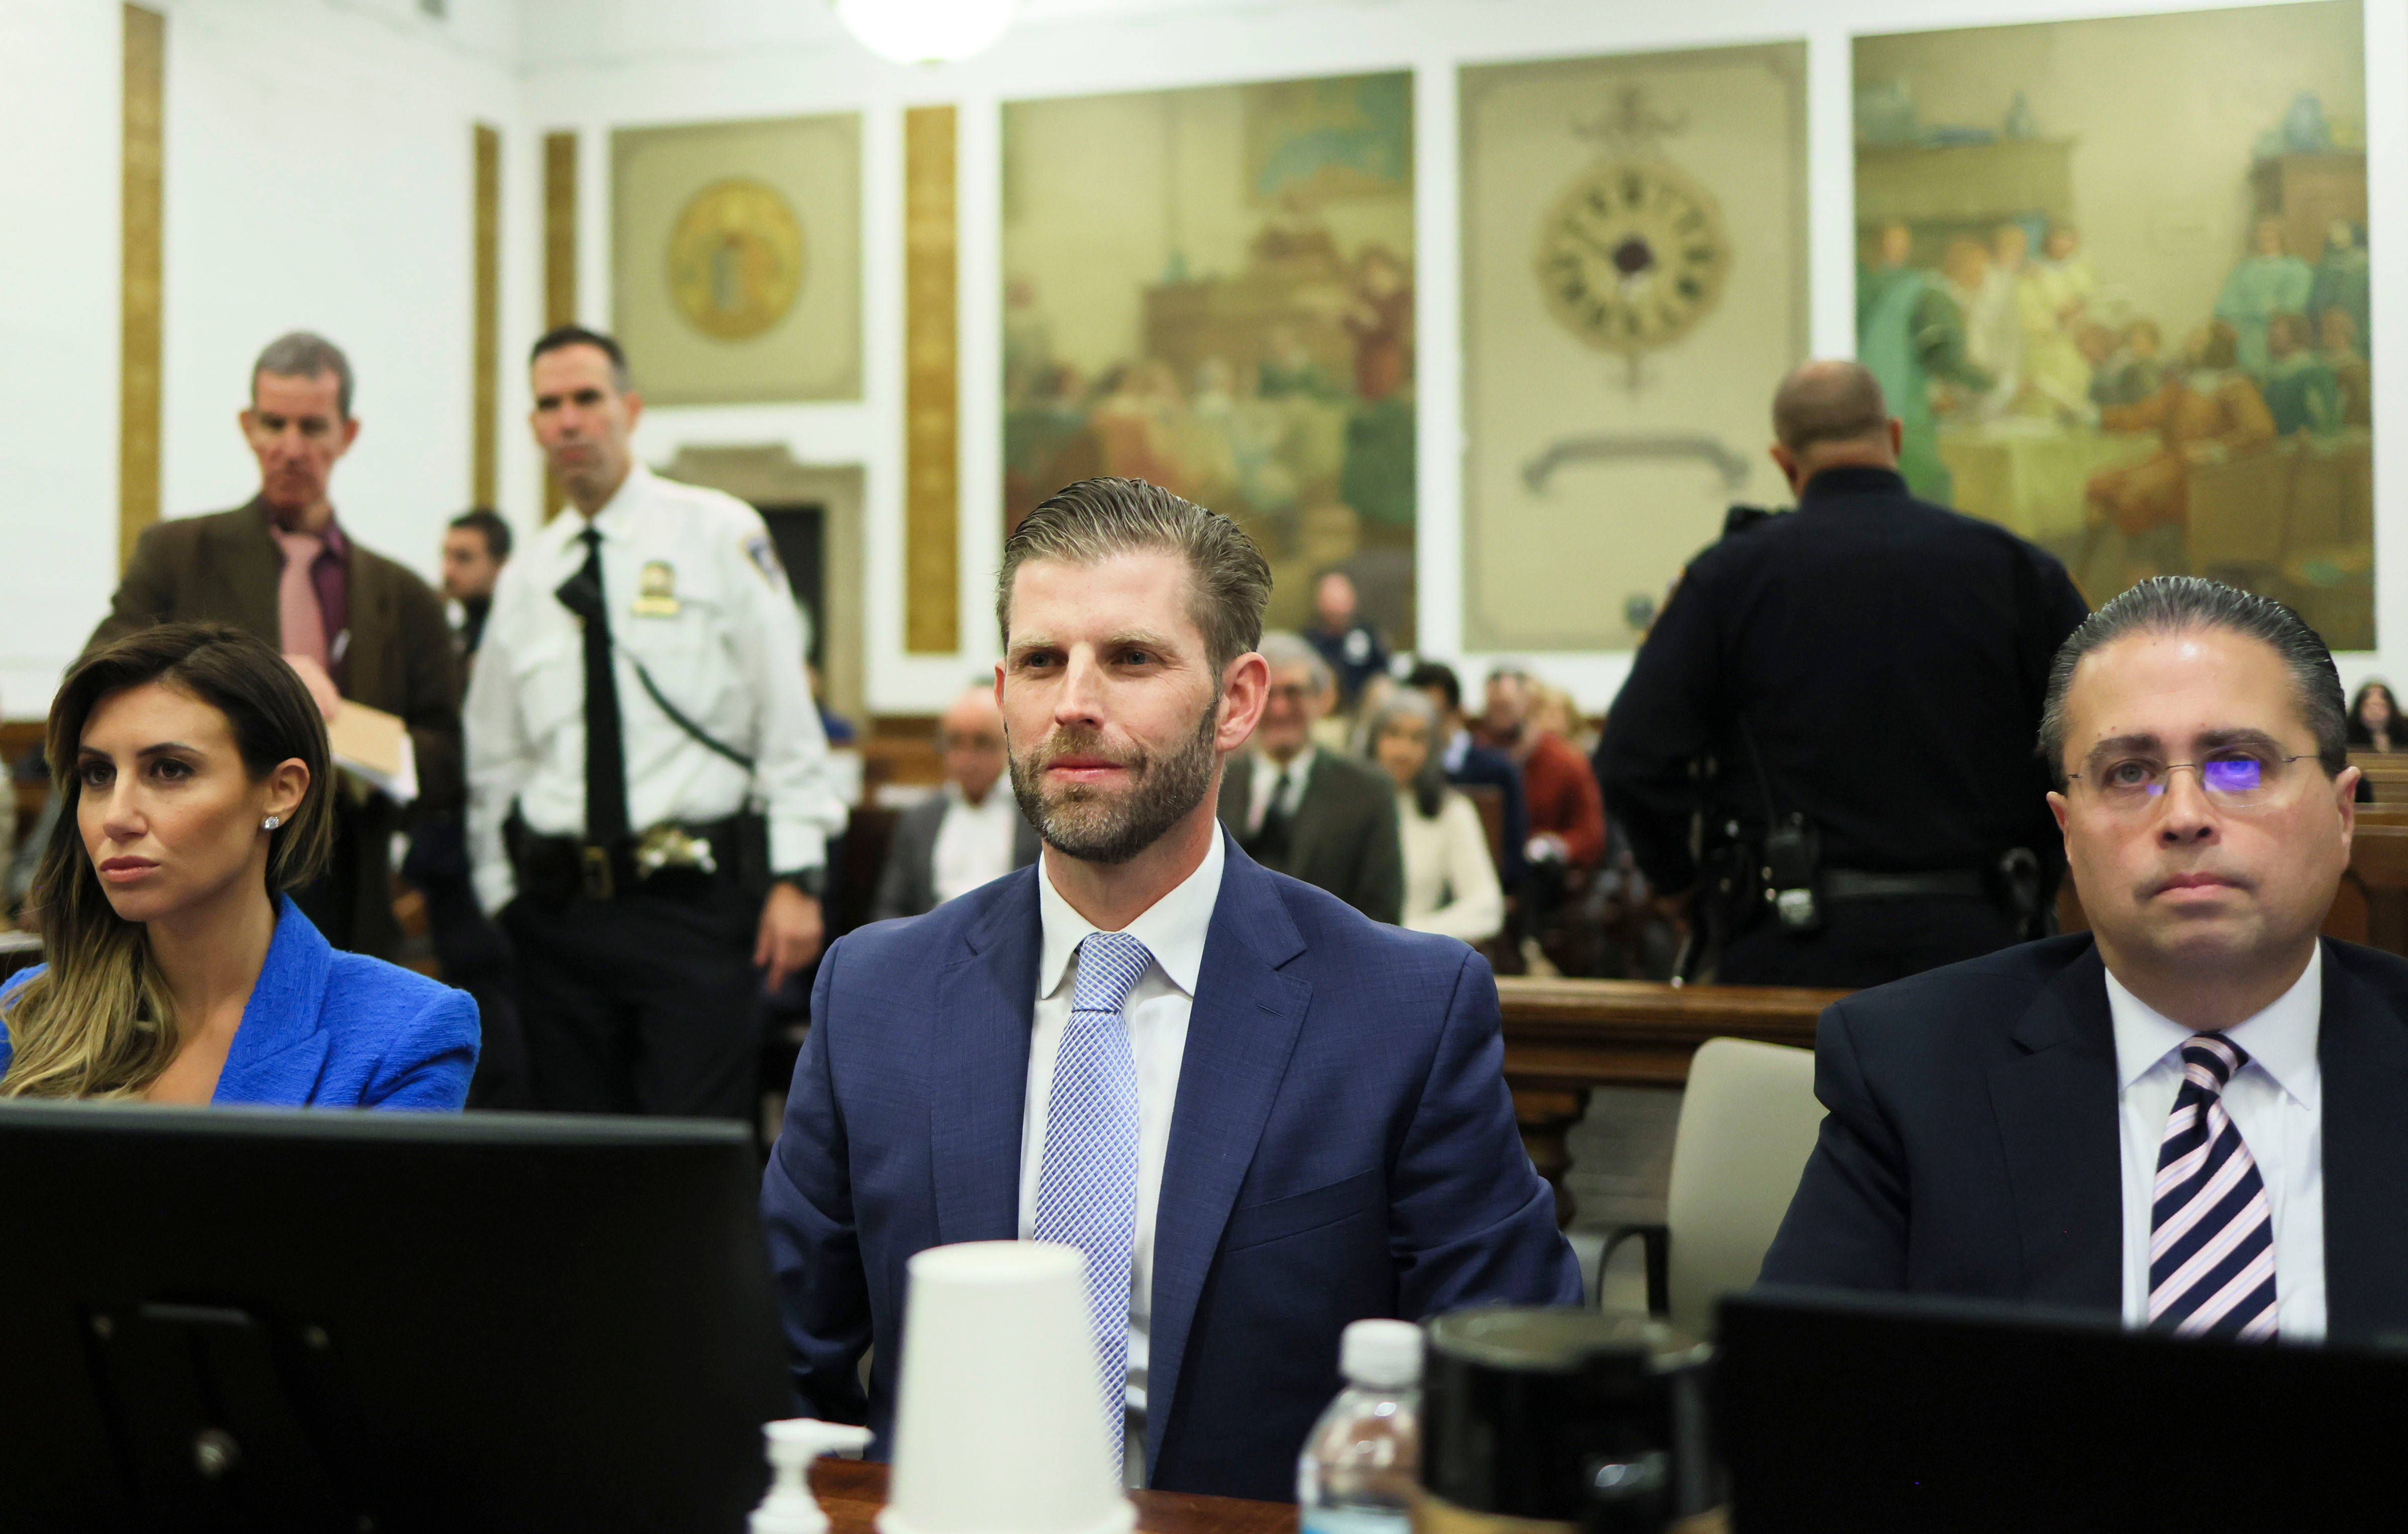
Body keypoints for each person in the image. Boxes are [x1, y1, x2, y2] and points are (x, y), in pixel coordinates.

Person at [762, 476, 1580, 1499]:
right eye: (1039, 660)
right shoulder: (875, 994)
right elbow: (777, 1361)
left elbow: (1510, 1374)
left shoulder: (1401, 1010)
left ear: (1236, 700)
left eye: (1131, 658)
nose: (1073, 703)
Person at [1761, 578, 2408, 1342]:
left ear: (2339, 817)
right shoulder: (1910, 1073)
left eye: (2237, 765)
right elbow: (1801, 1415)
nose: (2184, 816)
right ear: (2066, 833)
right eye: (2128, 774)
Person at [1599, 361, 2089, 988]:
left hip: (1789, 950)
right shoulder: (2019, 570)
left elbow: (1630, 761)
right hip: (1982, 950)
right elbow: (2102, 733)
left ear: (1783, 460)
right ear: (1895, 436)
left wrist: (1682, 888)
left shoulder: (1728, 579)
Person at [465, 325, 845, 1119]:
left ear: (629, 409)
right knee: (578, 1169)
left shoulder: (717, 534)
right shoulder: (528, 578)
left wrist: (796, 878)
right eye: (548, 406)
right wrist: (505, 897)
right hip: (558, 918)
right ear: (534, 427)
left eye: (586, 399)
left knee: (693, 1156)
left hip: (692, 909)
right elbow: (494, 756)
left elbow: (786, 717)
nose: (569, 422)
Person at [89, 331, 462, 961]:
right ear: (248, 426)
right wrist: (263, 680)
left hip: (348, 883)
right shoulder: (179, 556)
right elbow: (95, 683)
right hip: (198, 880)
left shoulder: (405, 596)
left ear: (348, 434)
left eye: (313, 427)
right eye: (275, 423)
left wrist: (354, 737)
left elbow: (448, 762)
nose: (291, 448)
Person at [0, 624, 476, 1106]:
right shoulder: (26, 1013)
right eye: (98, 775)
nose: (117, 818)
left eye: (170, 770)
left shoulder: (403, 1032)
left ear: (281, 791)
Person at [1216, 632, 1403, 925]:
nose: (1280, 709)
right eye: (1268, 695)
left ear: (1322, 699)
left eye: (1293, 693)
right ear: (1247, 702)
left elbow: (1381, 911)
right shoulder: (1214, 783)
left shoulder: (1367, 792)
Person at [871, 684, 1039, 922]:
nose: (966, 758)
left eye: (981, 742)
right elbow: (890, 907)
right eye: (955, 742)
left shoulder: (1034, 816)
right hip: (933, 943)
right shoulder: (920, 820)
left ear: (1008, 744)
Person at [1366, 689, 1504, 945]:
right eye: (1393, 734)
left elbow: (1487, 907)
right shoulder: (1344, 807)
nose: (1403, 750)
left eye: (1417, 738)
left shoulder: (1452, 812)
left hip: (1416, 950)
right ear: (1373, 739)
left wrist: (1406, 932)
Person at [1405, 660, 1527, 888]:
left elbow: (1513, 857)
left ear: (1458, 714)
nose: (1423, 729)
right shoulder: (1402, 773)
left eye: (1433, 716)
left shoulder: (1496, 770)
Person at [1477, 667, 1605, 878]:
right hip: (1484, 871)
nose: (1501, 716)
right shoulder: (1476, 758)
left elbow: (1591, 836)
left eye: (1508, 706)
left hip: (1543, 879)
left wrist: (1554, 846)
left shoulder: (1566, 762)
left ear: (1531, 706)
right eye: (1494, 707)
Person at [1303, 569, 1388, 709]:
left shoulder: (1368, 636)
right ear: (1319, 603)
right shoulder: (1309, 641)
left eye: (1340, 600)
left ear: (1352, 600)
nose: (1337, 608)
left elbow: (1383, 674)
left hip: (1363, 709)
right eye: (1331, 600)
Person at [441, 507, 513, 667]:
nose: (448, 571)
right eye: (446, 556)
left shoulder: (515, 640)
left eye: (463, 558)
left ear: (501, 565)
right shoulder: (455, 638)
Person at [2347, 681, 2398, 752]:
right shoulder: (2346, 735)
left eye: (2381, 706)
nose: (2376, 713)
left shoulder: (2403, 735)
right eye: (2369, 707)